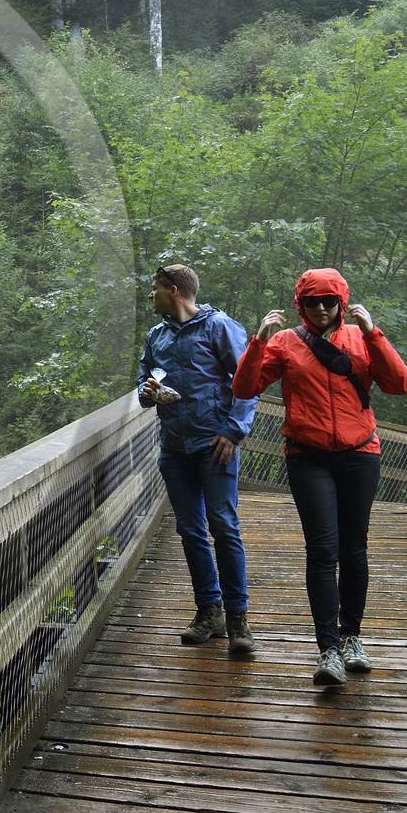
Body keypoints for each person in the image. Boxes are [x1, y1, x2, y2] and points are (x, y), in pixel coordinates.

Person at [233, 268, 407, 687]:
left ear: (341, 303)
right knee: (323, 549)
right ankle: (328, 649)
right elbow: (243, 389)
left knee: (354, 549)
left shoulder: (360, 339)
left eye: (329, 302)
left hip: (360, 454)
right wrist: (258, 340)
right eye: (312, 302)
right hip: (308, 456)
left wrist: (374, 333)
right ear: (301, 303)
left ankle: (352, 637)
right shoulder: (285, 342)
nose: (320, 309)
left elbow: (401, 385)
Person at [139, 264, 259, 654]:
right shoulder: (155, 336)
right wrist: (149, 389)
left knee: (223, 526)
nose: (150, 295)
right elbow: (143, 384)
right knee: (190, 530)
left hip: (214, 444)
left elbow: (248, 380)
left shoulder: (219, 327)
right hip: (173, 447)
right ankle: (210, 612)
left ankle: (239, 619)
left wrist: (234, 430)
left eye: (154, 289)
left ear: (173, 290)